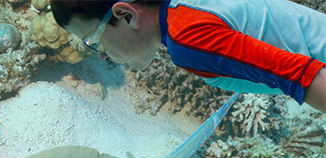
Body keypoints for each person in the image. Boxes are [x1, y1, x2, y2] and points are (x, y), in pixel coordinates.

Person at [50, 0, 326, 113]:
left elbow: (303, 78)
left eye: (94, 40)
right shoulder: (179, 10)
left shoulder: (187, 40)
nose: (102, 55)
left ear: (126, 15)